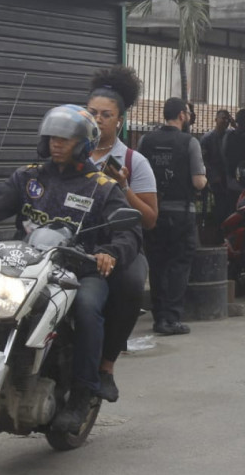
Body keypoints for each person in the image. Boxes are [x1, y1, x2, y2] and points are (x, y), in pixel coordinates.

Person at [0, 105, 141, 433]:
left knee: (88, 309)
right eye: (53, 138)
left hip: (80, 271)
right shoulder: (28, 176)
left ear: (84, 143)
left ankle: (83, 394)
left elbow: (129, 231)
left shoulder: (102, 186)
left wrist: (109, 253)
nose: (57, 144)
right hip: (27, 264)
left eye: (66, 139)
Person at [86, 66, 154, 398]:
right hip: (74, 240)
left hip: (121, 244)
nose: (97, 120)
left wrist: (124, 187)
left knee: (129, 284)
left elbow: (150, 218)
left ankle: (107, 366)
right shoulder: (69, 151)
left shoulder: (133, 160)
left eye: (106, 115)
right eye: (92, 113)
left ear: (119, 121)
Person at [137, 97, 207, 335]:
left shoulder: (146, 141)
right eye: (187, 112)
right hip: (181, 214)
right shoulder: (190, 142)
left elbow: (137, 174)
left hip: (151, 212)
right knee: (178, 265)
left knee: (156, 265)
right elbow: (198, 182)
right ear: (181, 115)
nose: (188, 116)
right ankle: (172, 318)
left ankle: (158, 319)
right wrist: (205, 180)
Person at [201, 109, 235, 229]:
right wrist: (212, 175)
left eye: (227, 119)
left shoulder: (231, 135)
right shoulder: (207, 138)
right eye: (223, 118)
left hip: (229, 177)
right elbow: (204, 160)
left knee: (229, 206)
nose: (225, 121)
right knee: (218, 206)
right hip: (215, 178)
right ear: (216, 119)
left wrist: (235, 124)